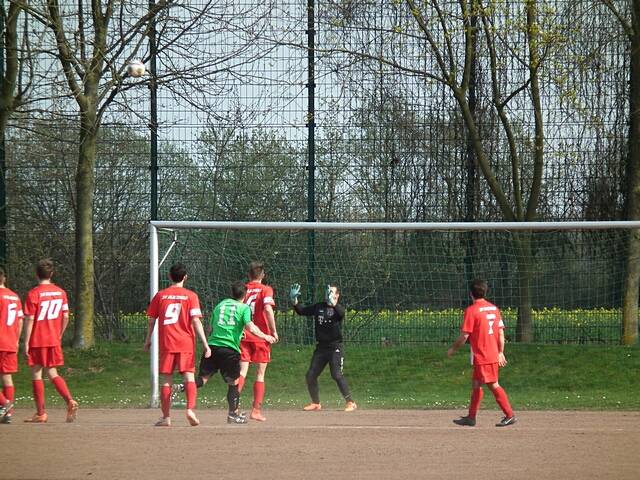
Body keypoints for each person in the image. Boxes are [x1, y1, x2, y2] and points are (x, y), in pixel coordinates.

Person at [187, 281, 276, 424]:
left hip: (213, 345)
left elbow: (211, 326)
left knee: (202, 379)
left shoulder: (220, 305)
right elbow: (250, 327)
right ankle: (233, 414)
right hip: (229, 349)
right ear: (244, 295)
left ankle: (180, 387)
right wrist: (266, 336)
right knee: (234, 382)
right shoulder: (244, 307)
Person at [144, 262, 211, 427]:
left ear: (169, 276)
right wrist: (205, 344)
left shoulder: (160, 296)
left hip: (167, 343)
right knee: (188, 376)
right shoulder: (191, 296)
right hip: (186, 343)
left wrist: (147, 340)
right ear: (185, 277)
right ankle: (190, 410)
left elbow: (152, 321)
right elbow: (196, 321)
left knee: (167, 379)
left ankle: (166, 417)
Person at [447, 279, 516, 427]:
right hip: (489, 354)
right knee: (476, 384)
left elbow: (465, 336)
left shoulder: (471, 311)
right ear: (485, 292)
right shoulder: (494, 309)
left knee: (493, 384)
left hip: (484, 355)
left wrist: (453, 348)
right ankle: (471, 417)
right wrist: (501, 352)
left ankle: (509, 414)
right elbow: (501, 334)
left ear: (471, 294)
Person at [23, 259, 79, 423]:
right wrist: (59, 334)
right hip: (53, 339)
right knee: (52, 372)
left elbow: (29, 319)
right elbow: (66, 316)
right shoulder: (60, 292)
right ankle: (69, 400)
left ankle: (41, 413)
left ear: (36, 274)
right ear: (52, 274)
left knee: (36, 372)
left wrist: (26, 342)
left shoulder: (34, 293)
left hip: (38, 339)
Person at [289, 283, 357, 412]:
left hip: (335, 347)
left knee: (336, 375)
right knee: (311, 375)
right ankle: (316, 403)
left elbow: (342, 314)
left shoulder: (338, 309)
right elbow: (302, 311)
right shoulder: (319, 306)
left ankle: (350, 402)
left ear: (337, 295)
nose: (328, 293)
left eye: (331, 291)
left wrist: (334, 304)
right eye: (327, 291)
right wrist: (294, 301)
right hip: (321, 348)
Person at [238, 261, 279, 422]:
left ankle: (234, 408)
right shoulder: (266, 289)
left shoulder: (243, 289)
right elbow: (268, 309)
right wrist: (273, 331)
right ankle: (255, 410)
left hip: (244, 335)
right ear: (263, 275)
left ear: (249, 275)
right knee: (260, 374)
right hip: (261, 336)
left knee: (242, 372)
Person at [0, 267, 24, 424]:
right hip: (10, 341)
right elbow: (20, 320)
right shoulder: (14, 296)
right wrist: (16, 339)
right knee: (7, 378)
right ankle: (7, 414)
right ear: (4, 278)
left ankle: (5, 404)